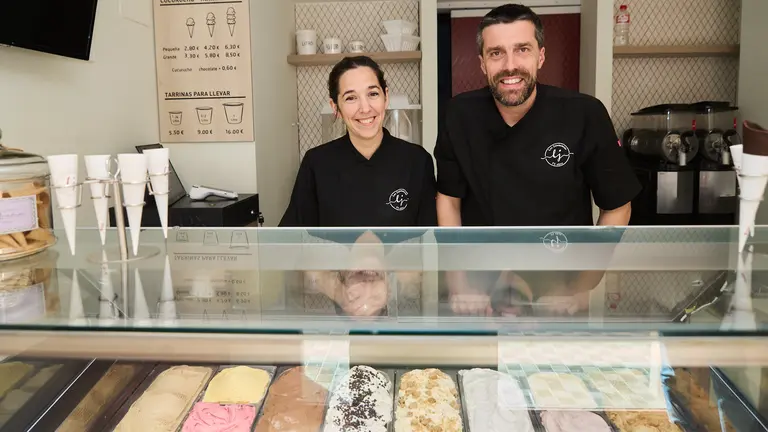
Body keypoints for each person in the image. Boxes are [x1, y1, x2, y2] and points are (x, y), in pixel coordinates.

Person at [434, 4, 641, 315]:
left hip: (559, 293)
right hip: (481, 293)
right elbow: (449, 202)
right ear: (482, 63)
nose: (510, 65)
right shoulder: (459, 115)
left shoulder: (584, 114)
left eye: (522, 49)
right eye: (496, 53)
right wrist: (459, 285)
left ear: (540, 56)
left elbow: (617, 207)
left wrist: (583, 287)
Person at [279, 55, 437, 227]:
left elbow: (427, 241)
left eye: (373, 94)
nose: (365, 108)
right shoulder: (316, 163)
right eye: (351, 98)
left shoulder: (417, 161)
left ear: (386, 96)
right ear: (335, 107)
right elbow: (292, 237)